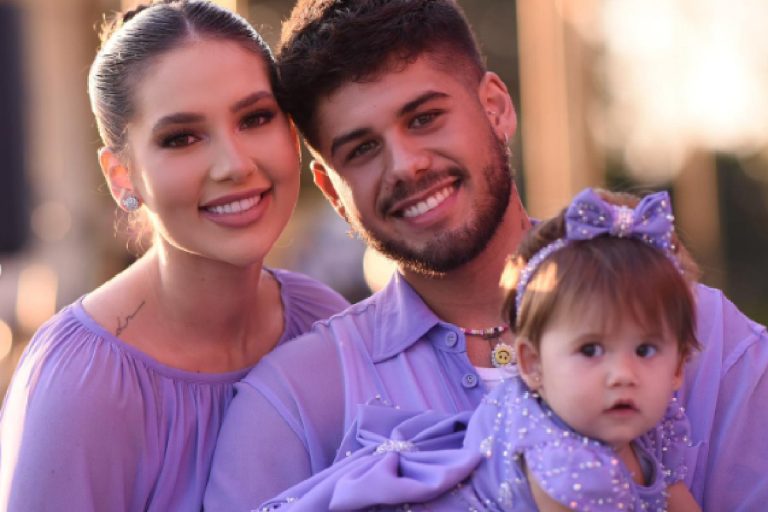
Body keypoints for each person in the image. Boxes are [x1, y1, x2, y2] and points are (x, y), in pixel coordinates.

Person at [204, 1, 768, 510]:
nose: (406, 165)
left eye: (424, 118)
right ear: (333, 191)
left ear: (496, 107)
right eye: (363, 148)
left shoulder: (707, 335)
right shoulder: (292, 403)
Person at [0, 1, 349, 510]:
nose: (234, 165)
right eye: (181, 138)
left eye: (255, 118)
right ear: (122, 176)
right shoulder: (82, 384)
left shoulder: (325, 323)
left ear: (292, 133)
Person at [259, 188, 703, 511]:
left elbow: (676, 495)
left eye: (645, 350)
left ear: (679, 367)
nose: (622, 373)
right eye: (590, 351)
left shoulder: (652, 425)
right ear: (532, 365)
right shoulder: (564, 464)